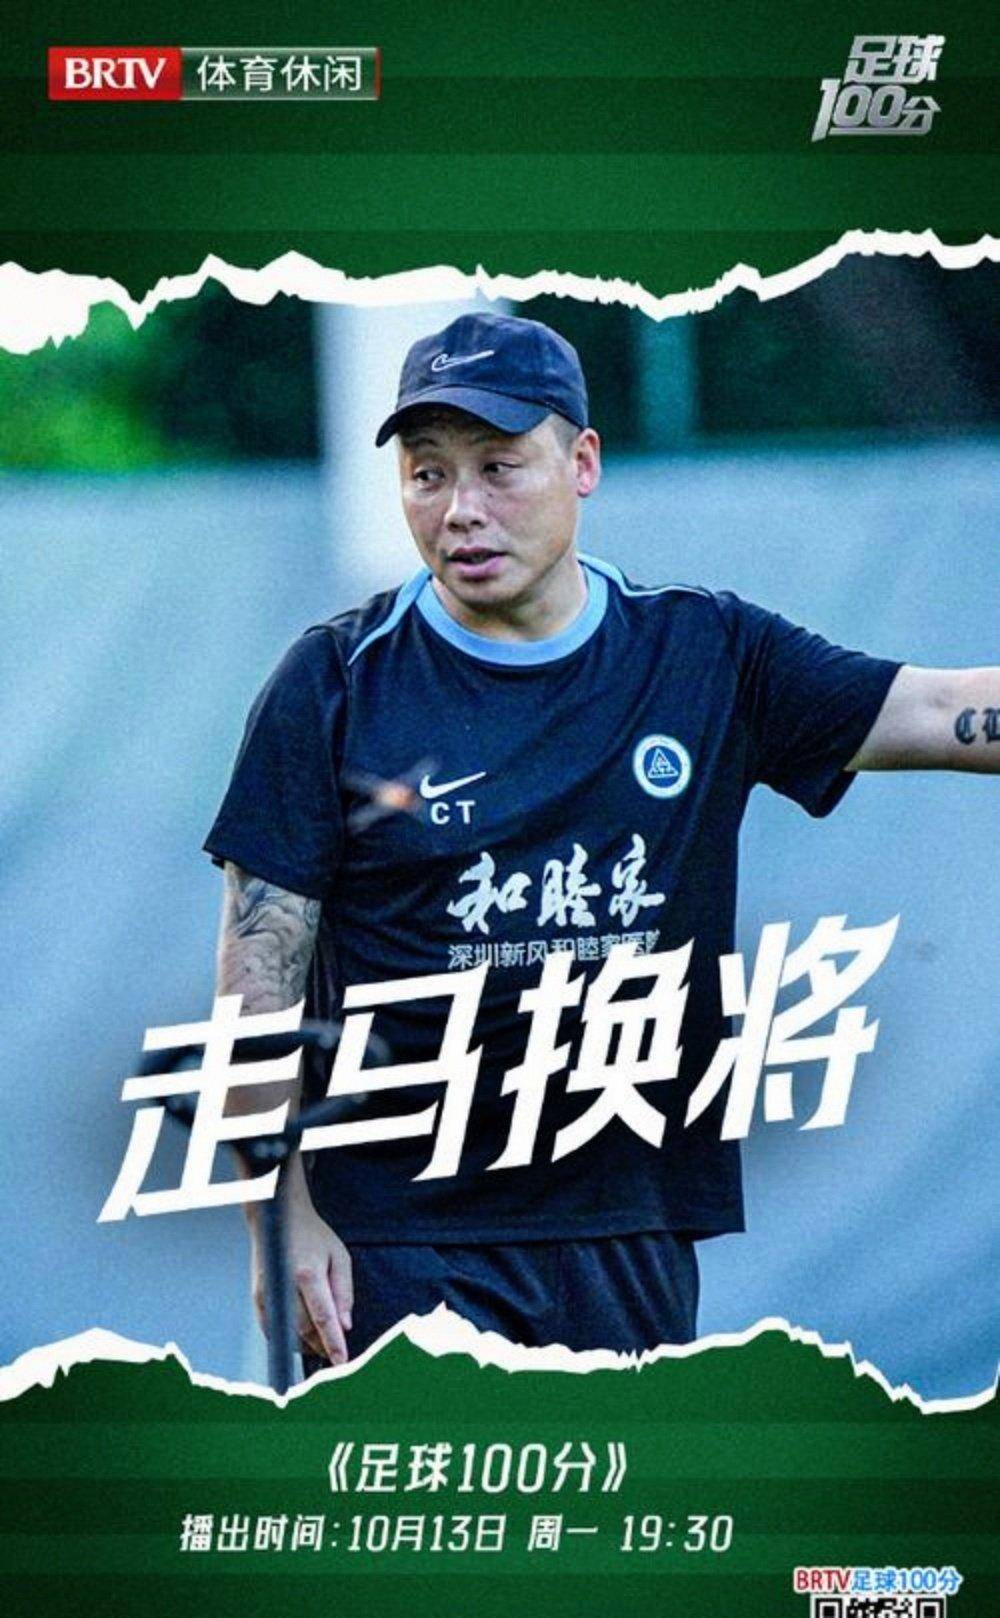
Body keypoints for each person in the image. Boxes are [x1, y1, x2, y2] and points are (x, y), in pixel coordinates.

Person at [204, 310, 998, 1372]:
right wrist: (279, 1212)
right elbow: (257, 975)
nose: (460, 509)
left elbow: (936, 709)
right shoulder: (336, 682)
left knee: (612, 1484)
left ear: (582, 463)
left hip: (627, 1222)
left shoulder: (703, 651)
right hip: (395, 1235)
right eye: (428, 474)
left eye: (498, 467)